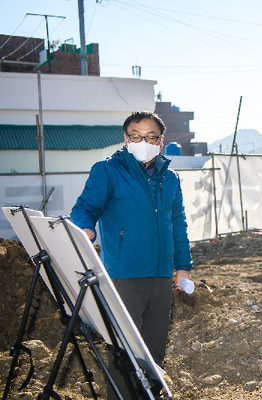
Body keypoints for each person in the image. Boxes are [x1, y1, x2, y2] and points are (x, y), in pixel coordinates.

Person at [70, 111, 193, 399]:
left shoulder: (170, 178)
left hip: (161, 276)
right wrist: (84, 226)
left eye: (150, 137)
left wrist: (183, 266)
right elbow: (85, 207)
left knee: (153, 349)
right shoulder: (108, 171)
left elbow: (178, 224)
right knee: (124, 350)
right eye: (136, 136)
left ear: (161, 141)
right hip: (124, 275)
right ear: (126, 139)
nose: (143, 142)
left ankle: (149, 394)